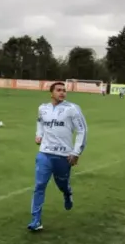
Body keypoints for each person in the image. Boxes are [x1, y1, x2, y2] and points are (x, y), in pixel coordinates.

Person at [29, 81, 88, 232]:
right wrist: (39, 135)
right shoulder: (43, 108)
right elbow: (40, 123)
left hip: (63, 155)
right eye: (59, 90)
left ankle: (67, 194)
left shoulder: (72, 109)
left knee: (62, 185)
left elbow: (82, 130)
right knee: (39, 186)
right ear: (51, 93)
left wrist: (76, 152)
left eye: (64, 90)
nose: (62, 93)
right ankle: (36, 220)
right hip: (45, 153)